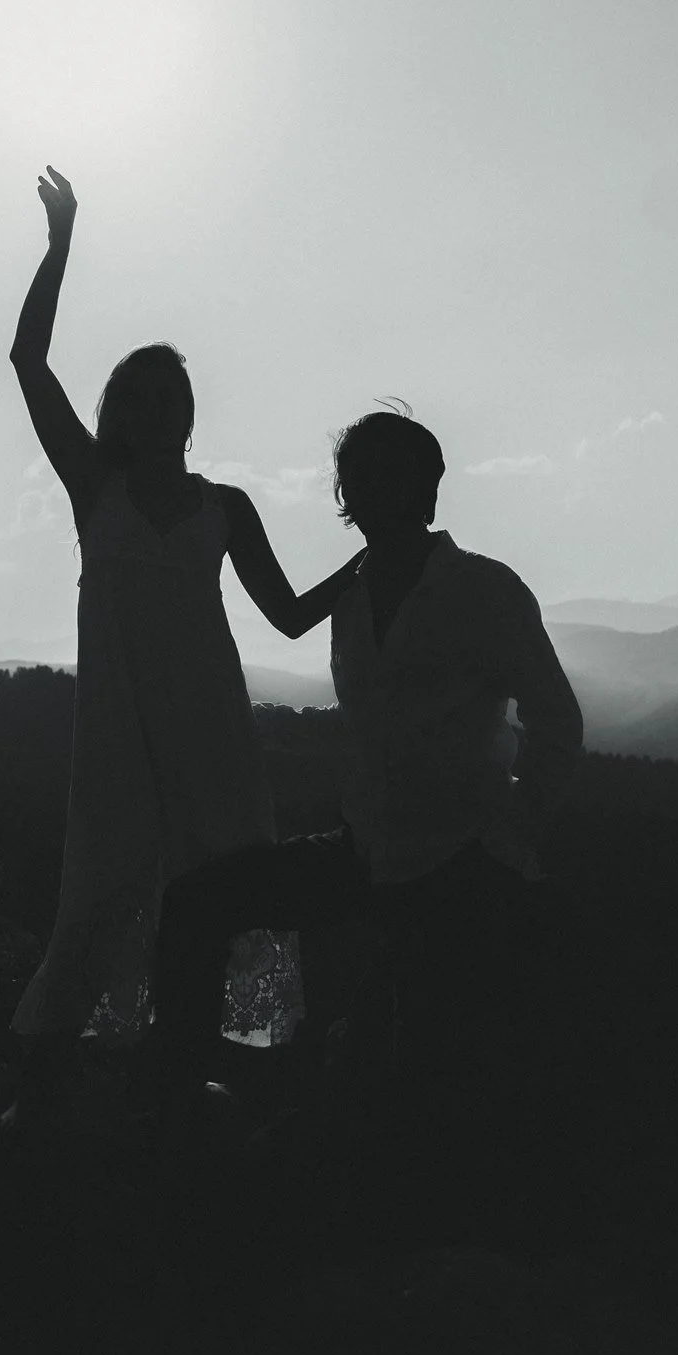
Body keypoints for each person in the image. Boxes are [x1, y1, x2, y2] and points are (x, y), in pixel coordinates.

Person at [6, 167, 364, 1086]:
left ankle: (190, 1085)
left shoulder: (226, 508)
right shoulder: (97, 488)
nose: (159, 408)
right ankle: (48, 1092)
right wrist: (59, 246)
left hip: (210, 731)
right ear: (119, 414)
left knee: (215, 895)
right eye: (142, 396)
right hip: (118, 732)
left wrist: (370, 559)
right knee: (99, 894)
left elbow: (289, 616)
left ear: (189, 412)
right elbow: (27, 362)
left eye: (172, 395)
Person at [152, 407, 584, 1101]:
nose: (370, 492)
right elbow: (373, 725)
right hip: (367, 850)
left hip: (455, 863)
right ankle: (185, 1097)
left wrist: (503, 847)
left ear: (424, 488)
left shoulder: (483, 589)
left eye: (387, 477)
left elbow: (556, 723)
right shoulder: (351, 599)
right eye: (358, 478)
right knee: (196, 903)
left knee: (403, 1074)